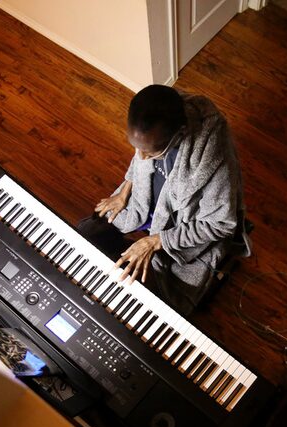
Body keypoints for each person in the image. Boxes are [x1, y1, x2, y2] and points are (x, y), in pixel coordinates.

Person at [77, 85, 251, 316]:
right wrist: (124, 190)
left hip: (181, 223)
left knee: (159, 298)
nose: (141, 157)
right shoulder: (152, 127)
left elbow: (221, 224)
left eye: (151, 153)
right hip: (149, 202)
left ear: (179, 134)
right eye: (136, 148)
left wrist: (156, 241)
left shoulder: (214, 161)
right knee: (87, 230)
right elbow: (140, 155)